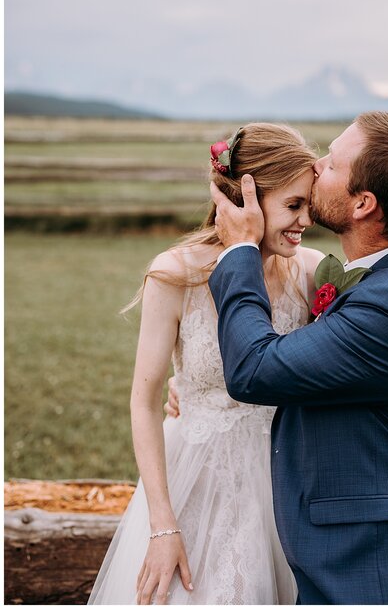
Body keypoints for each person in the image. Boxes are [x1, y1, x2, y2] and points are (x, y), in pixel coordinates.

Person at [206, 111, 388, 604]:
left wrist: (241, 249)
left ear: (363, 203)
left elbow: (254, 370)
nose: (316, 163)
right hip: (363, 548)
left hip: (381, 564)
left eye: (332, 162)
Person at [89, 124, 323, 604]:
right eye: (294, 206)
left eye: (309, 206)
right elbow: (143, 401)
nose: (305, 221)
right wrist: (161, 526)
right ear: (247, 199)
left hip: (283, 487)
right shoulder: (177, 273)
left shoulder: (311, 272)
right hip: (194, 478)